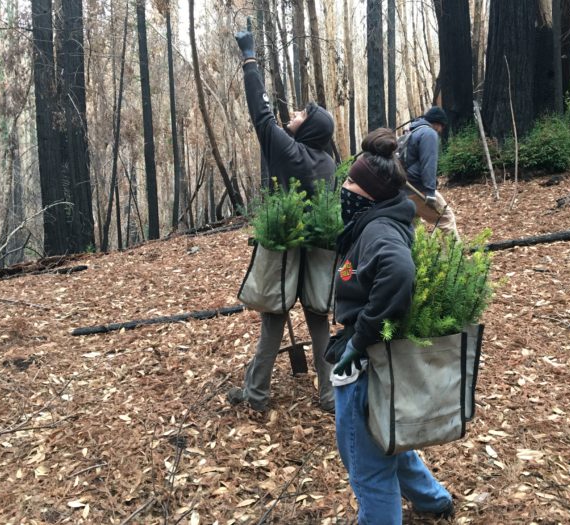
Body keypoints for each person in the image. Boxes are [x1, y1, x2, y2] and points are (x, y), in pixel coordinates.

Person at [327, 128, 454, 523]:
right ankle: (433, 500)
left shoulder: (378, 230)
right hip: (377, 359)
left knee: (367, 467)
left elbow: (398, 273)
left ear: (368, 193)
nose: (344, 189)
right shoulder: (382, 218)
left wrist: (359, 341)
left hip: (368, 364)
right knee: (385, 438)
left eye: (350, 183)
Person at [227, 28, 335, 413]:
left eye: (302, 114)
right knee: (318, 318)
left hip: (289, 247)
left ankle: (256, 394)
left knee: (274, 316)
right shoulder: (326, 161)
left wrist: (249, 58)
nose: (295, 114)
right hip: (318, 250)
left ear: (309, 129)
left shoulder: (291, 152)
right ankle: (329, 395)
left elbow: (261, 113)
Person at [403, 106, 459, 238]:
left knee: (411, 226)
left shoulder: (412, 130)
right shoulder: (429, 133)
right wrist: (430, 192)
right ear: (437, 123)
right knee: (446, 218)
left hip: (404, 189)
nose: (440, 130)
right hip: (418, 189)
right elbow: (429, 164)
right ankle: (453, 257)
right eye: (441, 126)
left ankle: (415, 257)